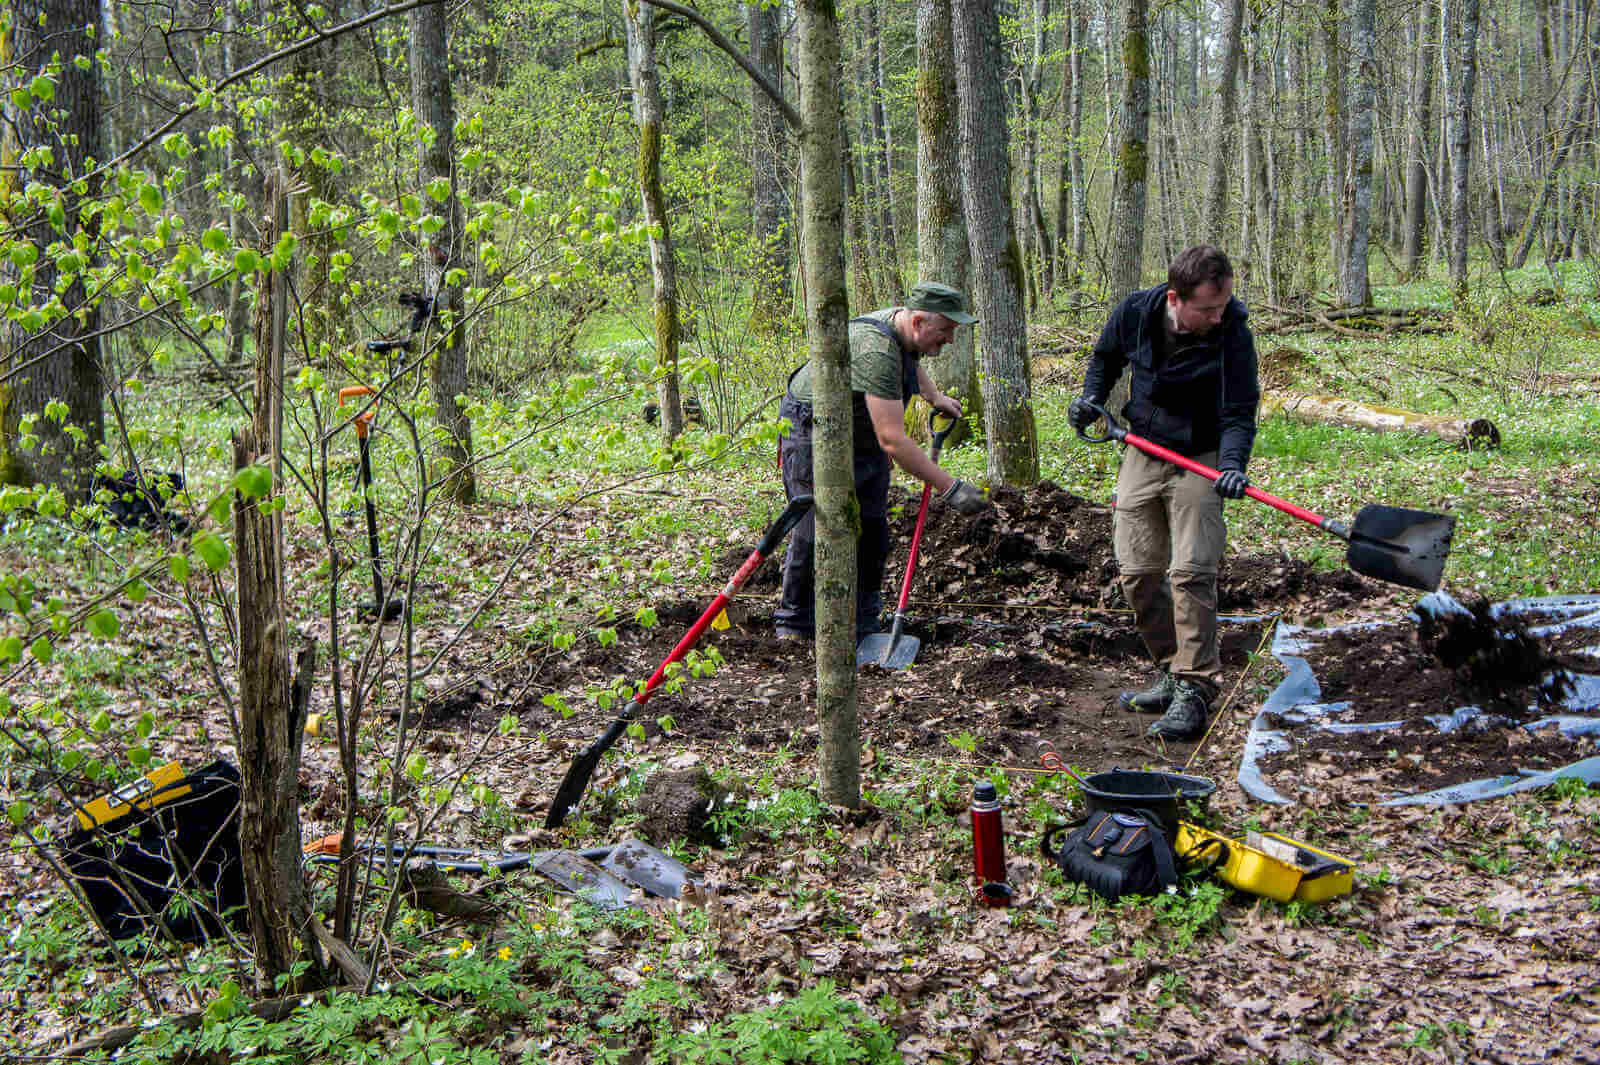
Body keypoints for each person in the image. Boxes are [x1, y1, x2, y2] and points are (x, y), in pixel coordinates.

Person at [1069, 245, 1260, 740]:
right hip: (1143, 444)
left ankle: (1196, 687)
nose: (1219, 318)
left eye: (1223, 307)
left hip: (1202, 453)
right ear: (1176, 298)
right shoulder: (1135, 313)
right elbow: (1105, 358)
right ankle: (1171, 670)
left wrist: (1233, 466)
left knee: (1192, 571)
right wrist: (1091, 400)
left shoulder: (1233, 332)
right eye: (1208, 310)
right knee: (1137, 571)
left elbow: (1240, 409)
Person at [775, 281, 990, 642]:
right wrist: (949, 487)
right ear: (919, 320)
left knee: (872, 527)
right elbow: (892, 439)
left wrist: (934, 395)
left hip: (860, 428)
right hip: (811, 428)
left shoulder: (901, 328)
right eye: (946, 330)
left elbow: (911, 360)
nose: (951, 339)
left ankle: (864, 621)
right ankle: (794, 624)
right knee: (815, 526)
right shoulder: (876, 352)